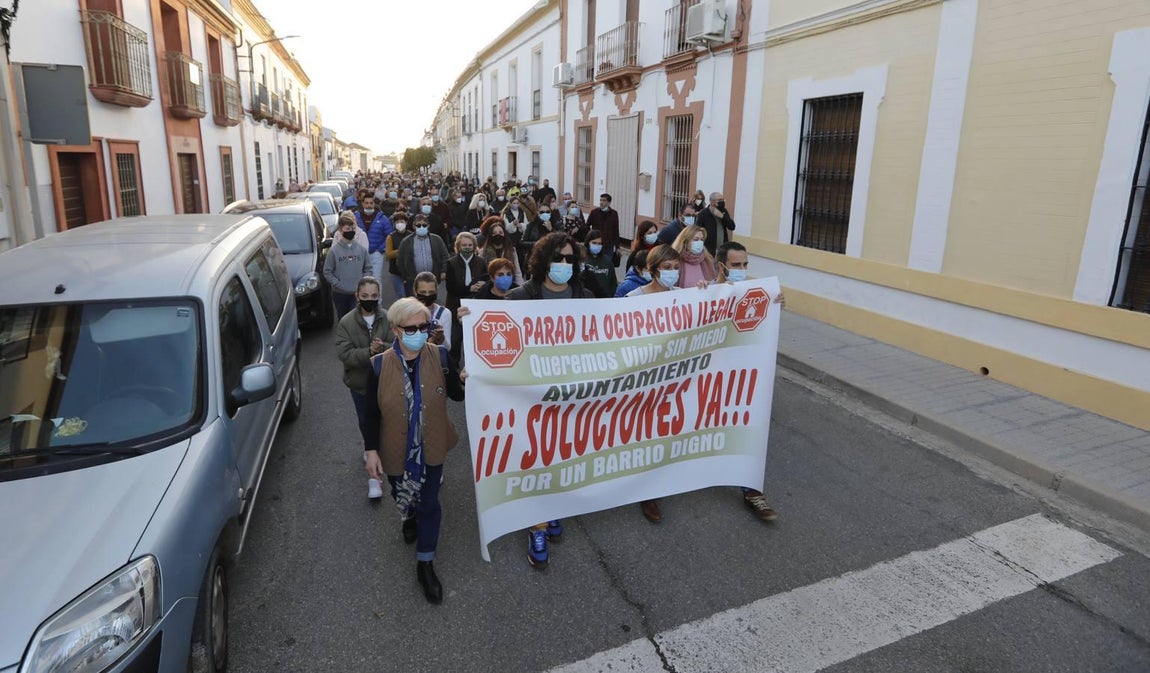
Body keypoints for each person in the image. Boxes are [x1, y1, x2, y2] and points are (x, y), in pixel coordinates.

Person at [364, 298, 465, 604]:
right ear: (396, 330)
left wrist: (463, 378)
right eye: (413, 328)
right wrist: (371, 450)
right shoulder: (378, 365)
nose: (420, 332)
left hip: (432, 447)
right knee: (402, 494)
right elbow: (370, 413)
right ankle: (408, 516)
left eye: (425, 326)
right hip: (396, 450)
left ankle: (425, 564)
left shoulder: (441, 357)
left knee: (430, 503)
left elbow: (457, 396)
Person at [506, 232, 594, 568]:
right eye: (557, 258)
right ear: (542, 262)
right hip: (530, 397)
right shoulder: (519, 299)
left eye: (570, 259)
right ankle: (537, 524)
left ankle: (553, 508)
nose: (564, 265)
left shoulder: (585, 297)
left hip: (573, 397)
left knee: (562, 457)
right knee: (535, 459)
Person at [713, 241, 781, 521]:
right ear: (721, 266)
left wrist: (775, 306)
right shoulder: (704, 292)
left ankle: (752, 490)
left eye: (745, 265)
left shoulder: (755, 294)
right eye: (736, 265)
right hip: (706, 379)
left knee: (746, 429)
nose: (742, 270)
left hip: (739, 379)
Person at [334, 277, 391, 499]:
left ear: (379, 296)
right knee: (366, 422)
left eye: (374, 296)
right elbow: (344, 354)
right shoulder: (346, 323)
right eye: (365, 296)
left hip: (385, 381)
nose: (370, 300)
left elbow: (398, 345)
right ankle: (374, 477)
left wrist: (382, 348)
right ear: (357, 296)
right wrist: (369, 352)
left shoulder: (388, 318)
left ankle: (380, 451)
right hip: (360, 385)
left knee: (387, 422)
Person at [444, 232, 487, 361]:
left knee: (475, 341)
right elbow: (450, 287)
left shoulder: (481, 262)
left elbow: (487, 279)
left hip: (476, 307)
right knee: (455, 340)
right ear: (458, 246)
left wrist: (484, 283)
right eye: (464, 245)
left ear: (474, 246)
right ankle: (454, 370)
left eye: (470, 245)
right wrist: (469, 288)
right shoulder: (451, 263)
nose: (467, 247)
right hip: (455, 306)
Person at [324, 213, 373, 318]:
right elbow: (327, 272)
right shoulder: (334, 251)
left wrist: (362, 282)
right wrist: (337, 283)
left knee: (356, 318)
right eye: (347, 229)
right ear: (341, 231)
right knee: (343, 319)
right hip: (339, 293)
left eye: (352, 229)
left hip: (356, 293)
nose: (350, 231)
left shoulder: (361, 250)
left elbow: (368, 268)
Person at [397, 214, 451, 297]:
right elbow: (400, 260)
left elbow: (445, 256)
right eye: (418, 225)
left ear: (428, 225)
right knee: (414, 305)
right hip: (413, 281)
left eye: (424, 225)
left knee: (431, 302)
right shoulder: (406, 241)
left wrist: (444, 271)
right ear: (414, 226)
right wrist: (406, 276)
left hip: (433, 280)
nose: (421, 227)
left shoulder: (437, 239)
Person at [357, 194, 394, 283]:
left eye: (371, 203)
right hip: (359, 254)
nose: (369, 205)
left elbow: (390, 235)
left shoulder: (382, 218)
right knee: (361, 280)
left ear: (374, 204)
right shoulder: (356, 218)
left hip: (376, 254)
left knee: (376, 279)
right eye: (366, 203)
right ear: (362, 204)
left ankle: (377, 297)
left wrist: (381, 249)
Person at [412, 271, 453, 351]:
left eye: (431, 292)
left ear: (436, 291)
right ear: (415, 291)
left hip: (435, 360)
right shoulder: (407, 312)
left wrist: (441, 338)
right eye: (423, 292)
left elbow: (448, 348)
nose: (427, 295)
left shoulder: (444, 313)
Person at [479, 217, 524, 285]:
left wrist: (520, 287)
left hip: (509, 283)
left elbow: (517, 271)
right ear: (490, 235)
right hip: (490, 285)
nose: (498, 235)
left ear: (504, 234)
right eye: (494, 233)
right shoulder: (483, 251)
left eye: (500, 232)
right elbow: (480, 272)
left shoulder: (512, 250)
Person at [580, 229, 617, 298]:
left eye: (599, 244)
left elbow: (613, 283)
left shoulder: (607, 261)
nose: (597, 245)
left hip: (604, 299)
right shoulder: (583, 260)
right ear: (588, 242)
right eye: (594, 243)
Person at [385, 212, 412, 302]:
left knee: (411, 295)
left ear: (406, 222)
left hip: (409, 270)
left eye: (401, 221)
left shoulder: (411, 235)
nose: (399, 224)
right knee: (401, 295)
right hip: (395, 270)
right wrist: (401, 250)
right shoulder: (391, 237)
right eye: (397, 222)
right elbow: (389, 254)